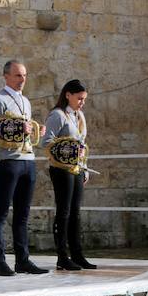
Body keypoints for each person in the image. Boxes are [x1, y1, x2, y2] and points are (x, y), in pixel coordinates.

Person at [0, 60, 49, 277]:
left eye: (24, 75)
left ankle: (23, 260)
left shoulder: (26, 102)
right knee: (1, 212)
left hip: (28, 160)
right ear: (6, 76)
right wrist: (16, 127)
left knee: (23, 214)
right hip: (7, 161)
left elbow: (24, 131)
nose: (22, 80)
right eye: (18, 75)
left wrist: (34, 130)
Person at [43, 79, 97, 271]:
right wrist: (68, 152)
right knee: (64, 212)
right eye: (79, 98)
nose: (82, 102)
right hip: (61, 168)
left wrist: (84, 167)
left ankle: (77, 254)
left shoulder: (78, 116)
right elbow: (46, 142)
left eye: (84, 99)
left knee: (75, 212)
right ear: (68, 95)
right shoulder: (58, 115)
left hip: (76, 168)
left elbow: (82, 144)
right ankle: (62, 256)